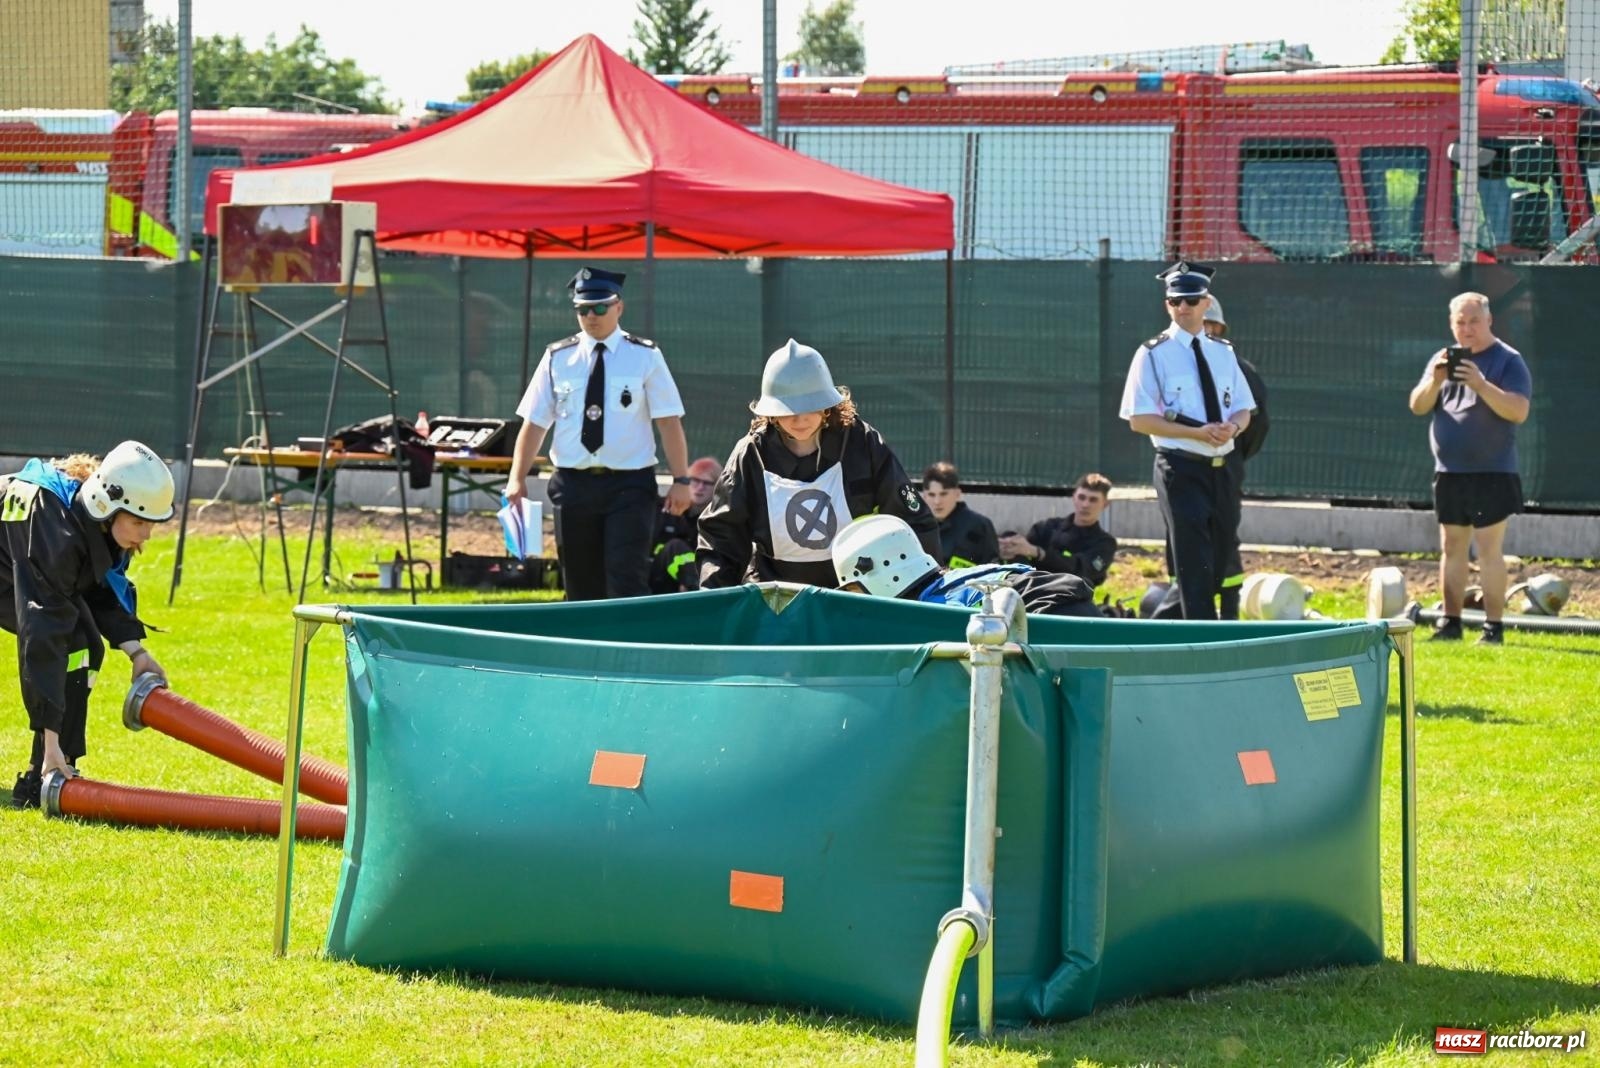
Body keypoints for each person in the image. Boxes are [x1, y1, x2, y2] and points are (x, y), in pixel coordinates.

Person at [506, 267, 693, 601]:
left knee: (626, 578)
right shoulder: (557, 357)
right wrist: (516, 479)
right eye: (583, 309)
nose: (591, 316)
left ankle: (628, 637)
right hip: (572, 485)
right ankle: (582, 637)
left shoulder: (645, 356)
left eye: (600, 307)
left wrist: (681, 479)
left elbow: (669, 421)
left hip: (629, 486)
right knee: (579, 583)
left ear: (619, 307)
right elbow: (534, 423)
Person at [3, 442, 173, 808]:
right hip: (16, 568)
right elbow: (43, 633)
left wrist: (137, 652)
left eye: (150, 524)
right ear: (108, 507)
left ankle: (50, 771)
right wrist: (49, 739)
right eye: (139, 522)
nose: (146, 535)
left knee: (85, 645)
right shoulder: (55, 530)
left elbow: (99, 591)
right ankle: (49, 760)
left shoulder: (95, 525)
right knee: (64, 640)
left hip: (12, 569)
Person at [697, 339, 940, 589]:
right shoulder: (751, 454)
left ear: (827, 406)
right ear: (772, 412)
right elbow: (721, 538)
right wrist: (714, 602)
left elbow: (912, 521)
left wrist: (925, 591)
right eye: (788, 410)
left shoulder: (861, 443)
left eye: (810, 407)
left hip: (859, 590)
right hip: (772, 594)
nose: (800, 420)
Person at [1119, 261, 1255, 621]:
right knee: (1193, 565)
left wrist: (1233, 428)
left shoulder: (1223, 352)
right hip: (1181, 467)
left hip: (1222, 469)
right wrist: (1196, 433)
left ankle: (1170, 630)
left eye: (1191, 300)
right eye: (1175, 301)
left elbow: (1244, 409)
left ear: (1206, 303)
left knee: (1221, 557)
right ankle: (1201, 640)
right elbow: (1139, 419)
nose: (1183, 307)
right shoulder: (1152, 353)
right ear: (1167, 305)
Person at [1407, 291, 1531, 644]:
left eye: (1474, 321)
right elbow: (1417, 406)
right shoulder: (1442, 358)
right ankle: (1451, 623)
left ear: (1489, 320)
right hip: (1450, 472)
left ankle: (1494, 627)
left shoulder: (1509, 360)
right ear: (1452, 325)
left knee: (1489, 550)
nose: (1467, 329)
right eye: (1460, 322)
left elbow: (1518, 411)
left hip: (1493, 471)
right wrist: (1435, 380)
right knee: (1452, 548)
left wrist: (1480, 384)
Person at [832, 514, 1100, 617]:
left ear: (886, 573)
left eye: (856, 590)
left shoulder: (935, 608)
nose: (858, 601)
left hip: (1058, 620)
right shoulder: (949, 582)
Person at [998, 472, 1118, 590]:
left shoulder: (1105, 543)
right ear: (1074, 497)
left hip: (1070, 595)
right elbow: (1025, 552)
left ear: (1105, 504)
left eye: (1093, 500)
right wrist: (1007, 546)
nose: (1085, 504)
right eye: (1082, 497)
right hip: (1032, 589)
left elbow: (1082, 571)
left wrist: (1039, 553)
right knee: (1010, 540)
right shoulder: (1046, 528)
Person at [649, 455, 722, 594]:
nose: (700, 487)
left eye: (707, 483)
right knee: (674, 547)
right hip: (657, 579)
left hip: (695, 579)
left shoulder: (717, 521)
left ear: (717, 487)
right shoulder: (663, 508)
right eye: (695, 480)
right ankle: (696, 591)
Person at [920, 461, 999, 568]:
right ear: (924, 496)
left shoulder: (979, 525)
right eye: (931, 495)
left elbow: (992, 568)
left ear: (957, 494)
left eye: (943, 494)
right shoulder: (917, 527)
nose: (937, 501)